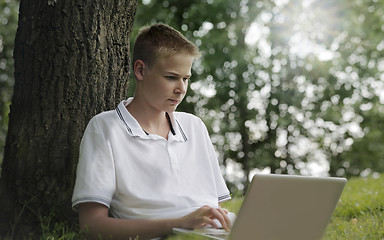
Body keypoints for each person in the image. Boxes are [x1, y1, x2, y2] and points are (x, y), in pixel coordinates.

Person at [72, 23, 233, 240]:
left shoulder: (195, 127)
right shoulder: (105, 128)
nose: (181, 89)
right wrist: (179, 224)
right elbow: (92, 225)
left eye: (186, 79)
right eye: (171, 77)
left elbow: (217, 208)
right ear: (140, 70)